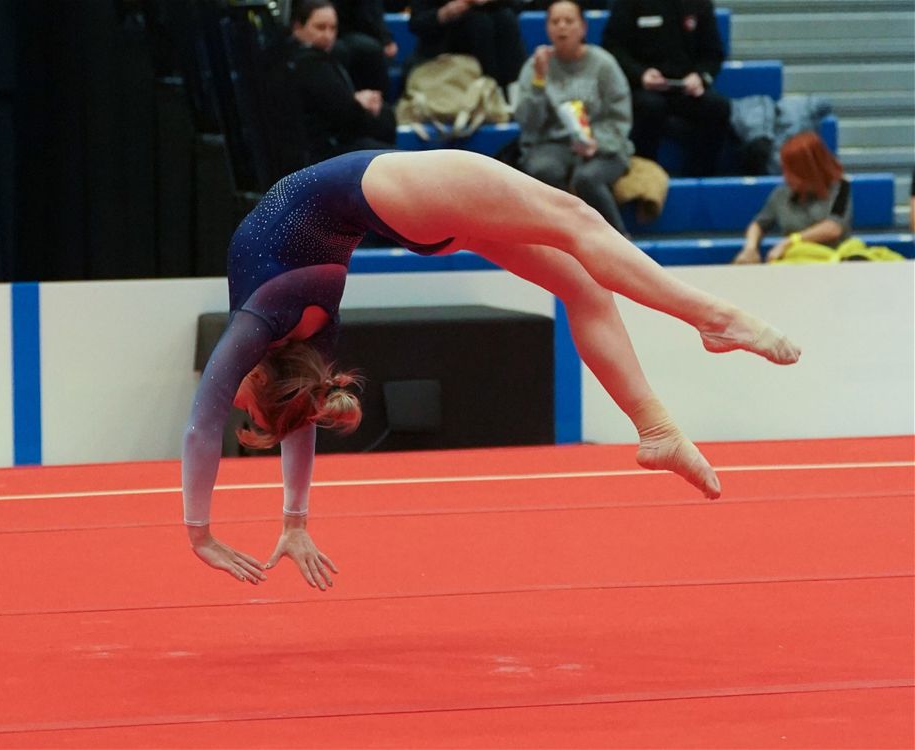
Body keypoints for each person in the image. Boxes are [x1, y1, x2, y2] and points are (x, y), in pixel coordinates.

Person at [182, 149, 801, 589]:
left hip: (404, 214)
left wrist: (278, 521)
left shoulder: (280, 333)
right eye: (250, 410)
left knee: (583, 285)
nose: (228, 399)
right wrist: (205, 536)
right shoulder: (270, 327)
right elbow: (218, 423)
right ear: (262, 380)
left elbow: (244, 420)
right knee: (577, 221)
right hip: (392, 195)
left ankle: (656, 428)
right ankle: (711, 316)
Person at [514, 0, 634, 234]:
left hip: (602, 143)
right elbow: (528, 122)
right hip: (553, 144)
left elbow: (620, 116)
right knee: (543, 170)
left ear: (583, 28)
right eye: (555, 22)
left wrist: (598, 142)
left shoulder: (604, 64)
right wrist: (539, 81)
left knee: (587, 179)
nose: (562, 27)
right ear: (547, 28)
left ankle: (620, 240)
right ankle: (560, 240)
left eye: (569, 21)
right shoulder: (535, 66)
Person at [601, 0, 730, 177]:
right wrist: (640, 74)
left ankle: (702, 176)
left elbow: (713, 53)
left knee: (718, 107)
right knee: (649, 107)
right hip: (643, 87)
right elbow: (612, 47)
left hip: (686, 88)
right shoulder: (628, 3)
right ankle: (644, 176)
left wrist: (700, 77)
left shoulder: (700, 4)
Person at [288, 0, 396, 163]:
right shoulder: (310, 64)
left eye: (333, 28)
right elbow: (348, 118)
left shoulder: (314, 59)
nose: (328, 35)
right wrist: (362, 105)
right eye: (320, 27)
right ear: (298, 27)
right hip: (321, 156)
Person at [734, 131, 852, 264]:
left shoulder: (842, 187)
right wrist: (750, 248)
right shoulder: (781, 193)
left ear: (808, 168)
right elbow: (759, 224)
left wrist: (790, 242)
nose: (786, 174)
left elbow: (833, 228)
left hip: (833, 261)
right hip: (794, 262)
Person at [407, 0, 526, 89]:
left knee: (505, 19)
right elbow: (417, 23)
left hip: (497, 43)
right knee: (479, 24)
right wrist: (444, 13)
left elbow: (518, 5)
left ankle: (511, 94)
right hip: (445, 47)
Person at [331, 0, 397, 95]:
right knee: (370, 50)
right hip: (345, 33)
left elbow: (375, 14)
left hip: (365, 36)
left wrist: (386, 39)